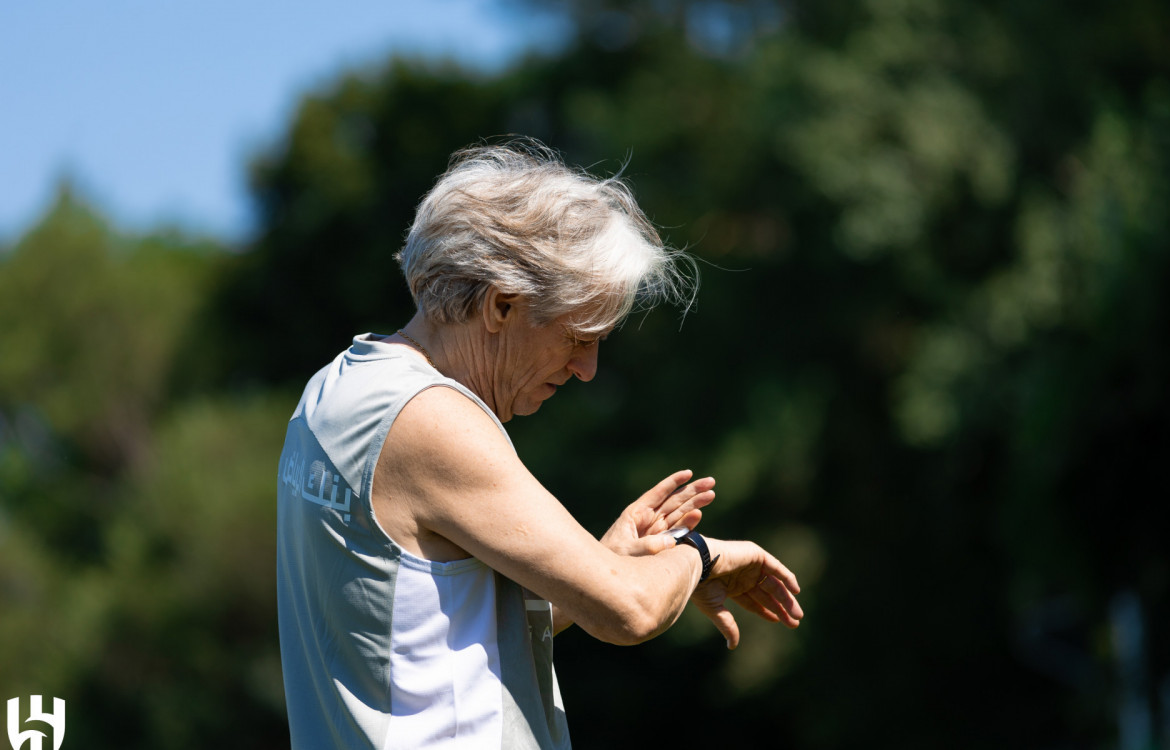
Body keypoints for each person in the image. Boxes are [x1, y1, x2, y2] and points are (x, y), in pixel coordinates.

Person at [276, 138, 804, 750]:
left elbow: (420, 640)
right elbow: (628, 612)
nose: (588, 370)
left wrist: (595, 566)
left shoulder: (334, 392)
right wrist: (699, 554)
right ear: (501, 303)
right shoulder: (430, 419)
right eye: (580, 336)